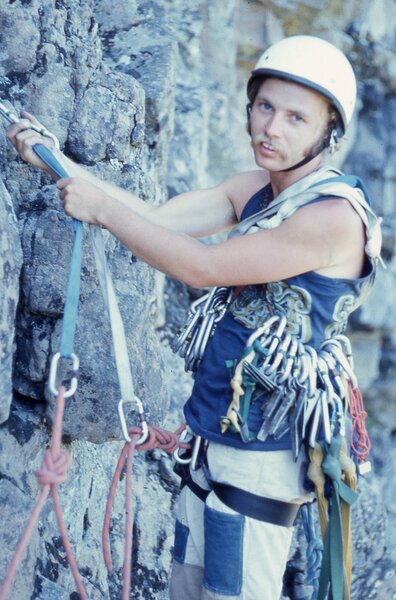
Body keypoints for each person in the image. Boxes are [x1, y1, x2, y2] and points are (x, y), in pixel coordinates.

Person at [7, 35, 380, 600]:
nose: (271, 128)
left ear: (329, 133)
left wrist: (101, 208)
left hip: (263, 458)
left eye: (295, 117)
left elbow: (204, 268)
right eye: (264, 107)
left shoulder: (333, 219)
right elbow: (162, 220)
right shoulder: (261, 189)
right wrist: (59, 164)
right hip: (213, 437)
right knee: (187, 589)